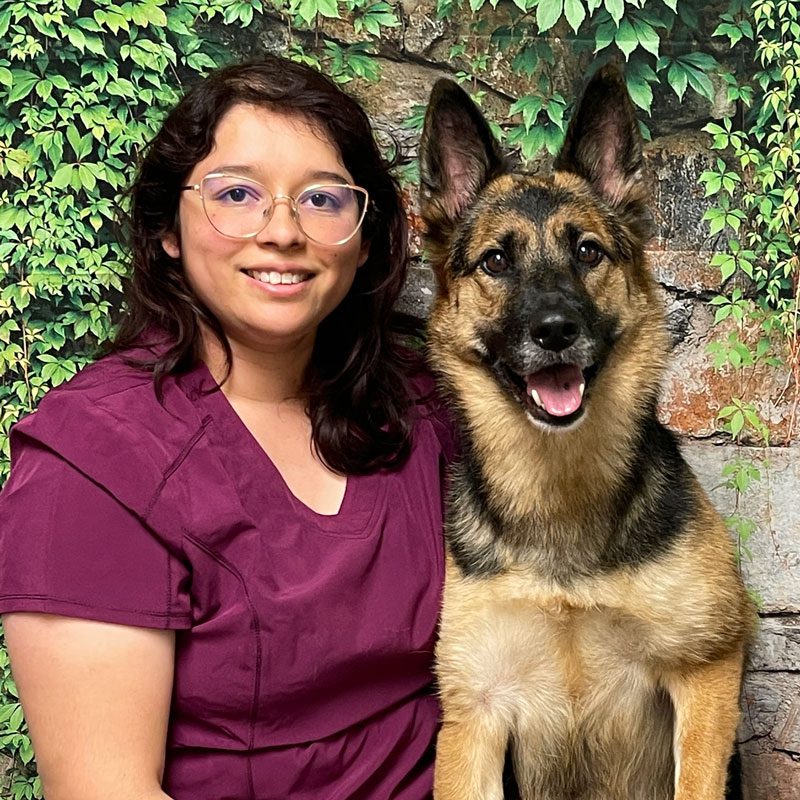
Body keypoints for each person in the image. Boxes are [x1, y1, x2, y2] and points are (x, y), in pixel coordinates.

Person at [0, 56, 457, 800]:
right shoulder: (93, 464)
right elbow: (104, 788)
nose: (281, 231)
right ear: (168, 231)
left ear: (367, 236)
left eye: (322, 199)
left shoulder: (427, 405)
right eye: (236, 194)